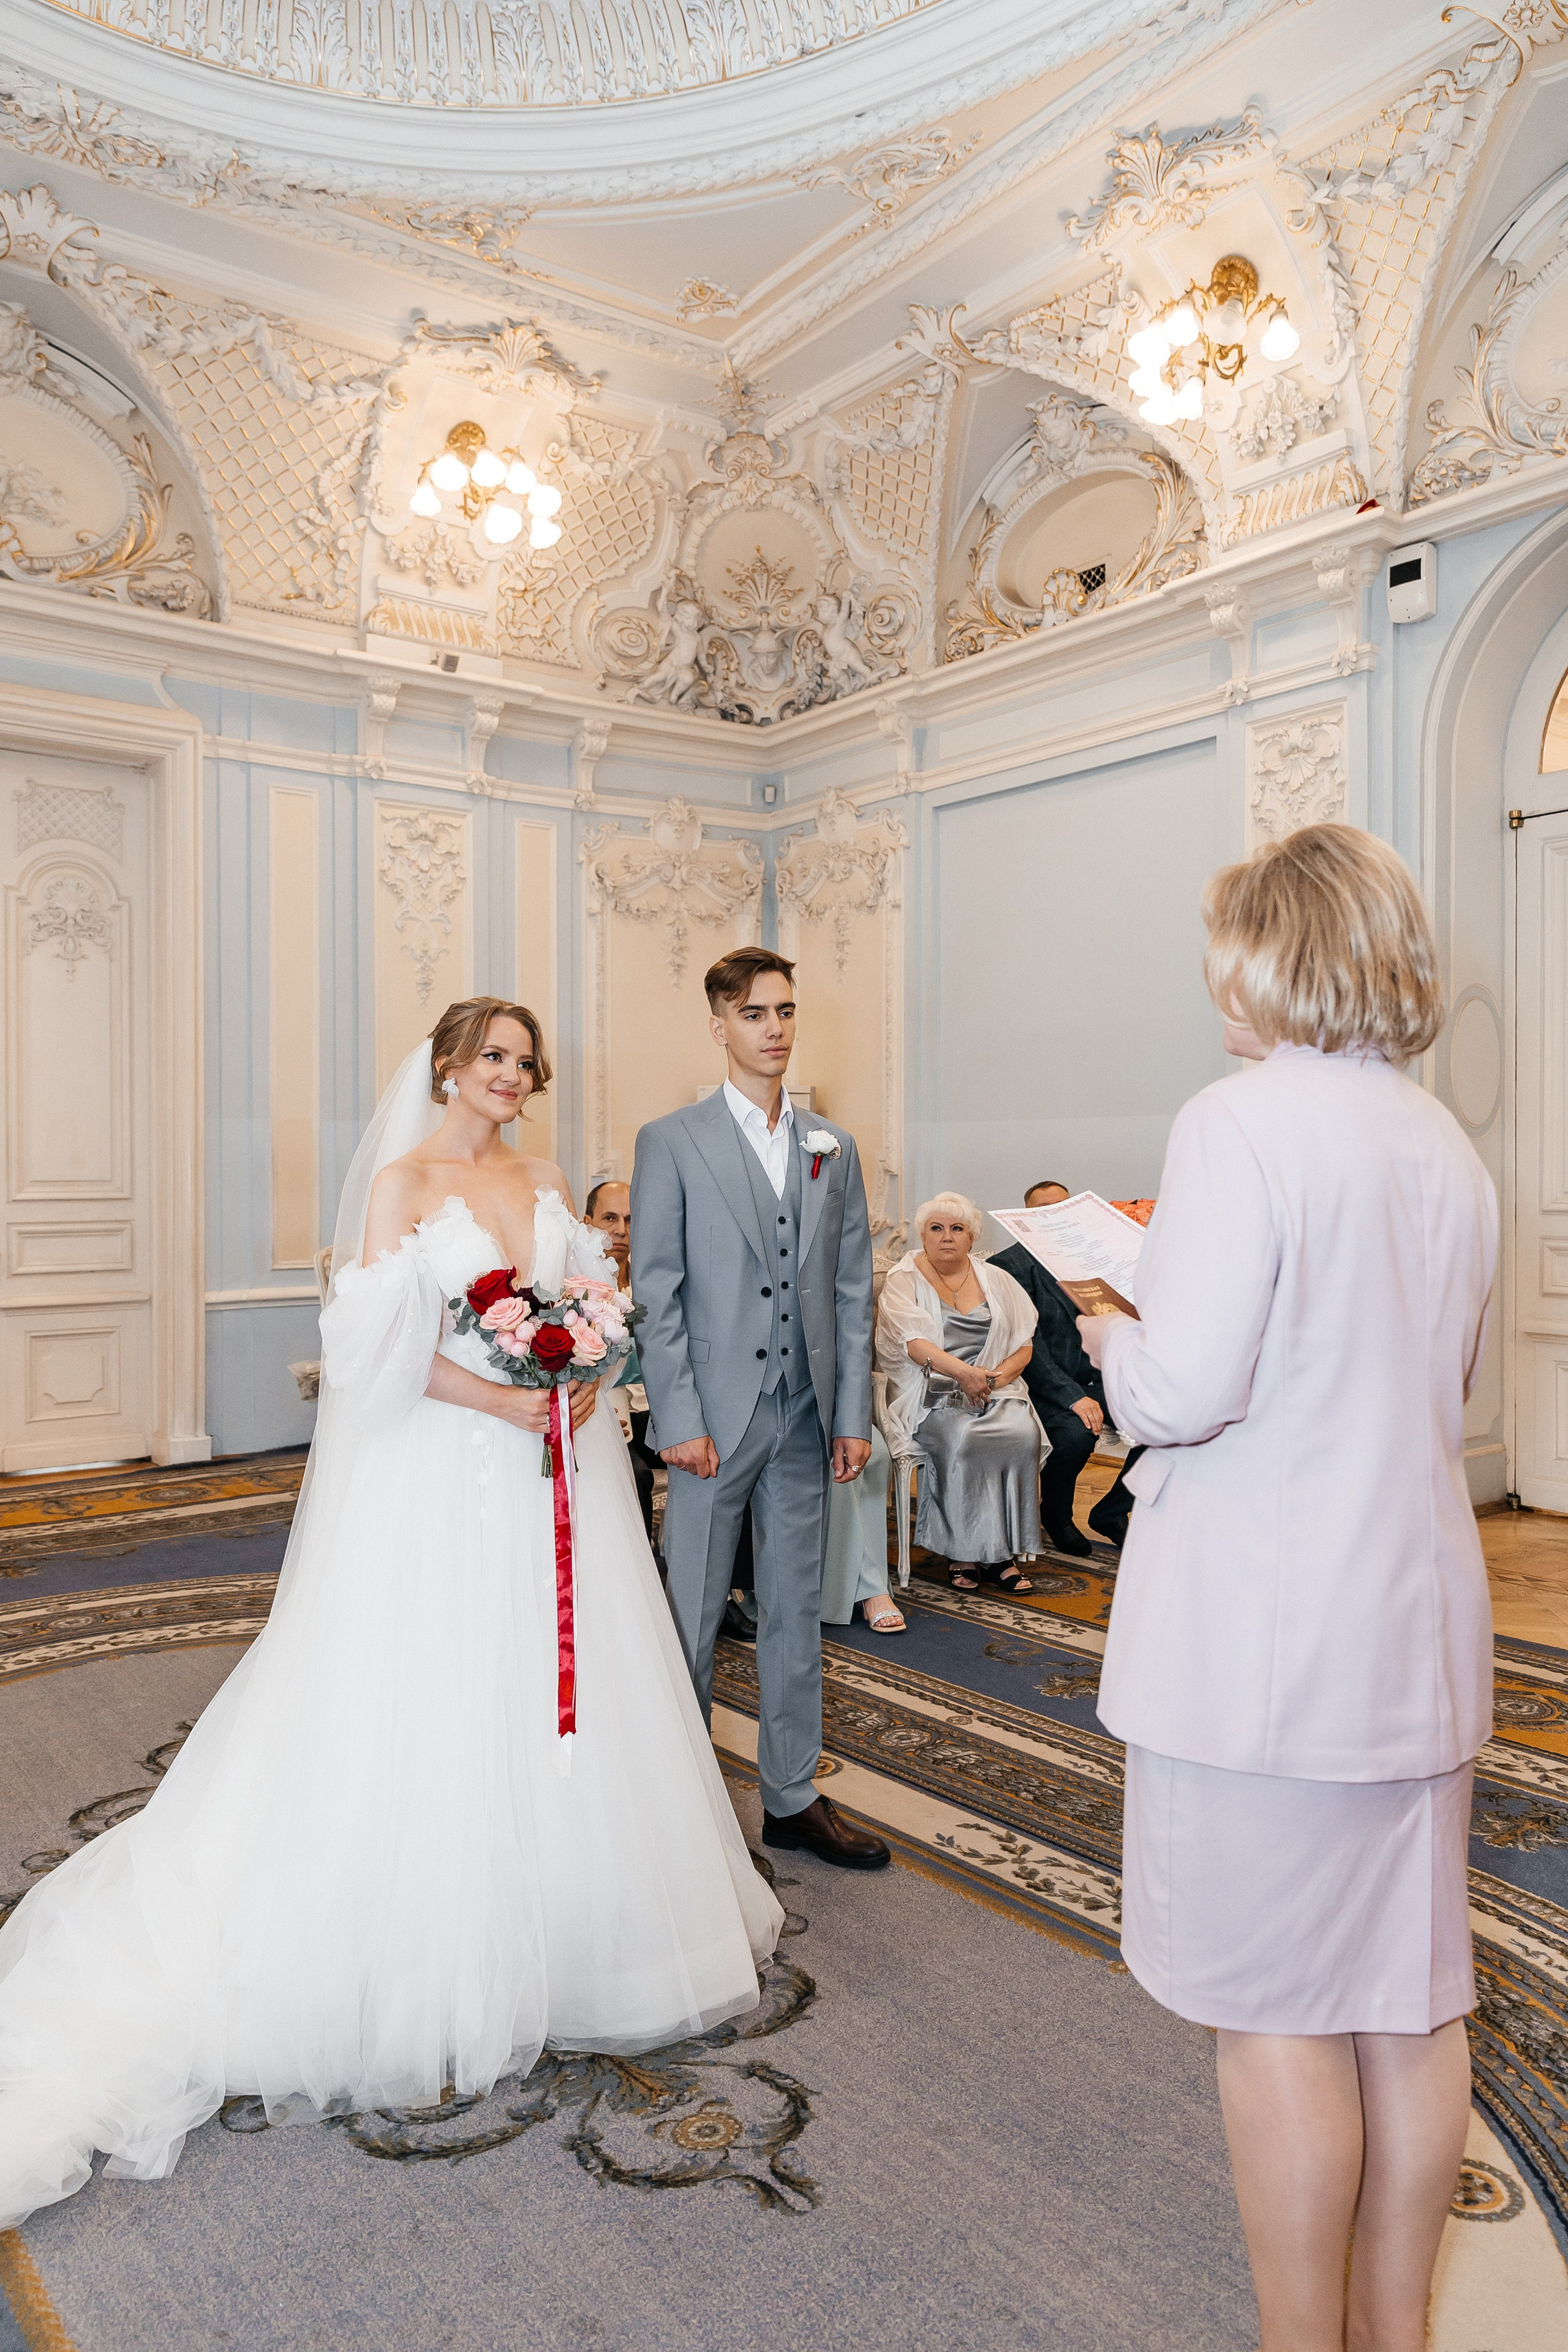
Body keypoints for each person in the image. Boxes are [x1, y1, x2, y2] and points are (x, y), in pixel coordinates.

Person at [0, 997, 782, 2230]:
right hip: (448, 1469)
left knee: (557, 1691)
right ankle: (433, 1959)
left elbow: (588, 1320)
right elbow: (372, 1356)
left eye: (525, 1062)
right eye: (492, 1059)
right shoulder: (406, 1185)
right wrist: (500, 1402)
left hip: (556, 1476)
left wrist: (582, 1387)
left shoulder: (538, 1175)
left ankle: (573, 1938)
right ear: (448, 1068)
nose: (511, 1078)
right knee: (442, 1683)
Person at [1077, 824, 1496, 2352]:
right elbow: (1428, 1383)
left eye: (1224, 958)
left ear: (1273, 952)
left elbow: (1177, 1391)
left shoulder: (1236, 1122)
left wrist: (1108, 1312)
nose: (1213, 992)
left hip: (1259, 1653)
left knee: (1274, 2018)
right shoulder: (1442, 1142)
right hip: (1413, 1631)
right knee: (1406, 2002)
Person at [631, 948, 889, 1871]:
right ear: (719, 1026)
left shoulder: (833, 1146)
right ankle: (680, 1804)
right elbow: (656, 1294)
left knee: (795, 1615)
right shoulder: (672, 1141)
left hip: (805, 1414)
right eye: (754, 1014)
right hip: (712, 1422)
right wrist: (679, 1418)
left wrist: (852, 1413)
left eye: (785, 1012)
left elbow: (854, 1291)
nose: (774, 1028)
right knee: (693, 1613)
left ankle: (791, 1798)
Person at [876, 1193, 1044, 1594]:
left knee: (1023, 1434)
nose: (946, 1237)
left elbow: (1025, 1344)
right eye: (936, 1228)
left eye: (957, 1229)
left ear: (972, 1237)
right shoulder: (904, 1279)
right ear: (923, 1235)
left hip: (995, 1388)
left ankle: (1002, 1552)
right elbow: (913, 1344)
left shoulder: (997, 1279)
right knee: (966, 1438)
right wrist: (966, 1376)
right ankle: (964, 1553)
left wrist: (994, 1379)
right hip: (931, 1393)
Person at [990, 1180, 1145, 1555]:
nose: (1055, 1218)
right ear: (1026, 1219)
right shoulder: (1006, 1268)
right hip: (1040, 1386)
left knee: (1160, 1418)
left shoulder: (1092, 1258)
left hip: (1101, 1377)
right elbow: (1029, 1347)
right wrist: (1074, 1397)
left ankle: (1112, 1510)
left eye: (1063, 1209)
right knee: (1075, 1436)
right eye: (1044, 1211)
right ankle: (1056, 1516)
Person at [584, 1178, 661, 1542]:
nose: (621, 1231)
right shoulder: (577, 1291)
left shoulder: (659, 1281)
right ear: (587, 1223)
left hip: (664, 1414)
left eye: (631, 1220)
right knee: (636, 1474)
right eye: (610, 1219)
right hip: (611, 1417)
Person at [819, 1423, 904, 1634]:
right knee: (841, 1462)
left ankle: (866, 1584)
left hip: (835, 1408)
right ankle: (870, 1588)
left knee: (877, 1453)